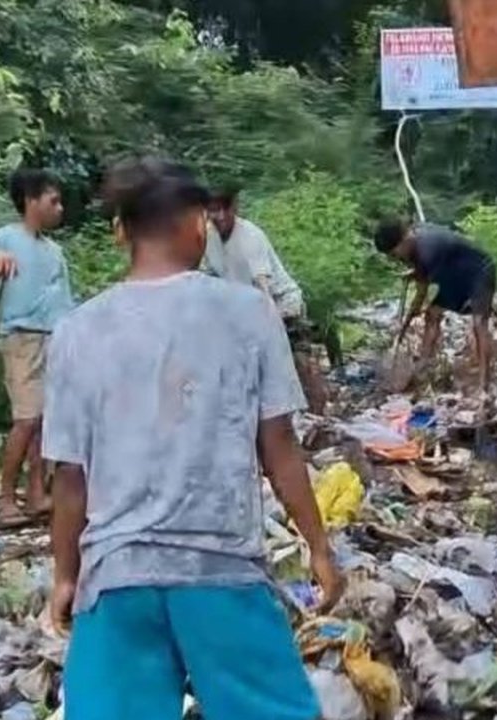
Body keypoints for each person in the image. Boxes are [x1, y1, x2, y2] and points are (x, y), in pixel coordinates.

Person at [44, 158, 342, 720]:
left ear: (119, 231)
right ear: (196, 224)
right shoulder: (248, 312)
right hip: (219, 570)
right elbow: (278, 447)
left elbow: (70, 478)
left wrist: (66, 576)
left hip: (117, 574)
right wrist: (319, 549)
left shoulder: (75, 331)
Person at [0, 168, 73, 526]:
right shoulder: (5, 238)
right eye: (53, 201)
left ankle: (37, 493)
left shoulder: (54, 251)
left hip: (53, 337)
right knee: (26, 420)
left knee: (45, 422)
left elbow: (65, 303)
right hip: (20, 336)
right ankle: (6, 497)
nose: (60, 208)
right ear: (31, 201)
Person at [202, 187, 327, 413]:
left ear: (234, 208)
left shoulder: (249, 236)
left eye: (222, 209)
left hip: (281, 304)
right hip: (246, 310)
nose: (218, 216)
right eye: (212, 211)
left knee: (298, 363)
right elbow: (209, 277)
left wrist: (269, 324)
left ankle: (319, 415)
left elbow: (263, 285)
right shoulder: (209, 238)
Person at [373, 218, 497, 393]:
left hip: (480, 270)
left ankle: (484, 385)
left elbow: (422, 292)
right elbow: (422, 283)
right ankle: (423, 369)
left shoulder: (428, 251)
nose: (397, 258)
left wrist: (406, 322)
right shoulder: (415, 248)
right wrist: (404, 327)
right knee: (431, 314)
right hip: (455, 271)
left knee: (479, 323)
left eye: (395, 254)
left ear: (404, 240)